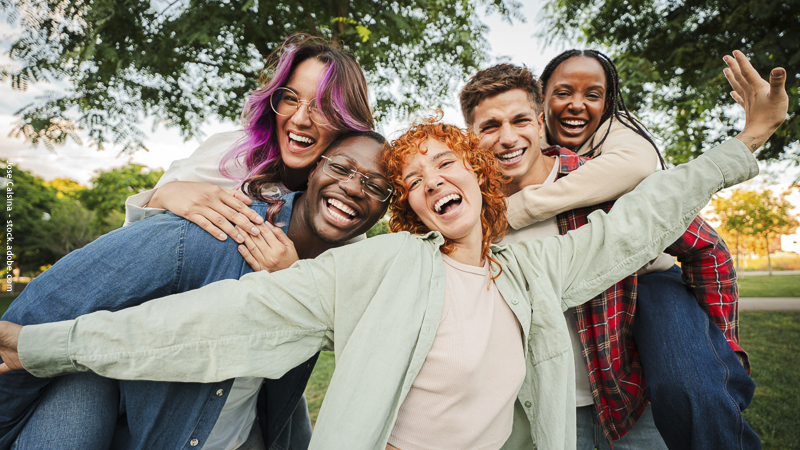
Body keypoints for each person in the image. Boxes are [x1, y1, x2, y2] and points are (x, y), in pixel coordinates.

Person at [0, 51, 787, 449]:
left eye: (447, 163)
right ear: (408, 208)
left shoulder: (538, 268)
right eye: (411, 180)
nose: (430, 181)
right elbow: (217, 321)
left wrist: (745, 141)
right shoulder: (380, 269)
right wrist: (44, 342)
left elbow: (642, 220)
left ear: (480, 179)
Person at [0, 132, 390, 450]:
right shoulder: (215, 230)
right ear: (312, 169)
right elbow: (44, 307)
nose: (355, 187)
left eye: (376, 186)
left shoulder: (339, 279)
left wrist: (293, 280)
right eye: (341, 167)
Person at [459, 50, 755, 449]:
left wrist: (723, 346)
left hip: (631, 403)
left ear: (539, 121)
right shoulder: (467, 215)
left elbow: (705, 249)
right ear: (470, 136)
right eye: (490, 126)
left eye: (520, 121)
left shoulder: (605, 185)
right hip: (547, 414)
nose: (508, 137)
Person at [123, 33, 375, 246]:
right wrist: (164, 196)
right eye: (290, 98)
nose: (299, 119)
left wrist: (288, 272)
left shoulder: (344, 210)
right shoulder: (226, 153)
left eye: (322, 107)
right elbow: (125, 244)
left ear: (347, 123)